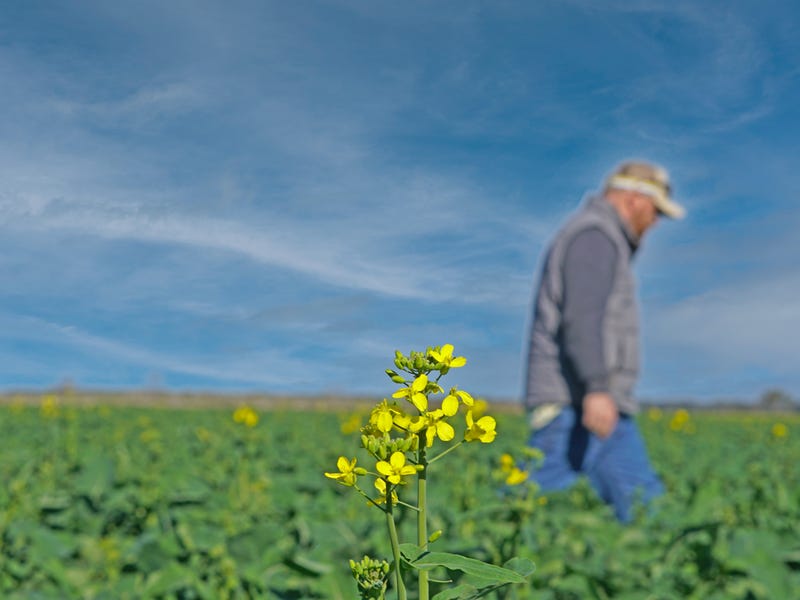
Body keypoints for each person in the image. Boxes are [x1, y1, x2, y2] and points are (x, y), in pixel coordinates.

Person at [523, 160, 685, 522]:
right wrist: (597, 387)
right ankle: (464, 568)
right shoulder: (595, 237)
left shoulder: (597, 236)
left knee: (642, 504)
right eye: (656, 211)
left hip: (585, 401)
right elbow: (582, 316)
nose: (656, 222)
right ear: (636, 199)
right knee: (523, 512)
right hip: (579, 402)